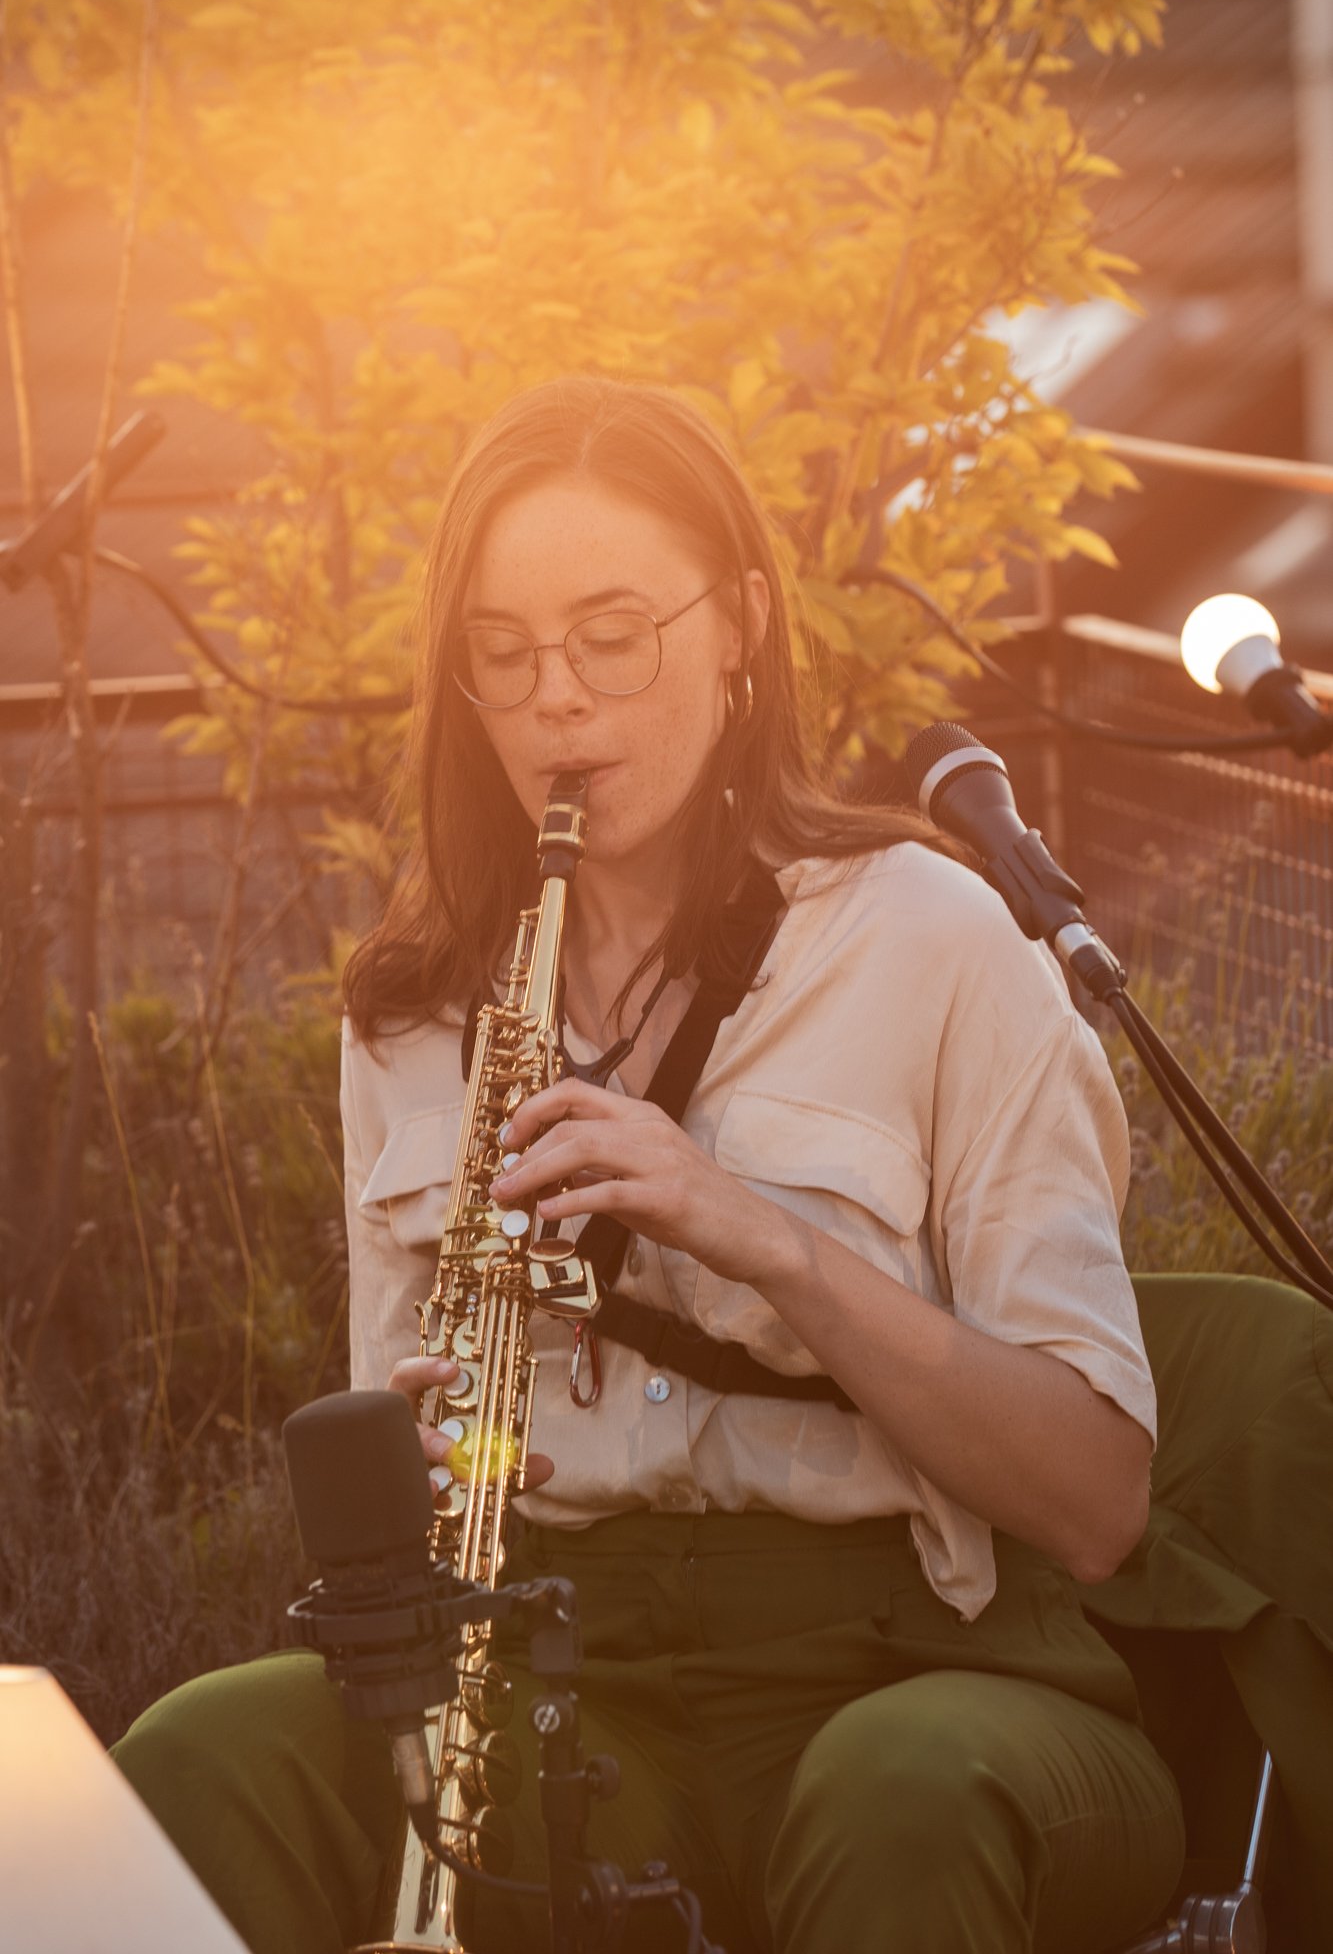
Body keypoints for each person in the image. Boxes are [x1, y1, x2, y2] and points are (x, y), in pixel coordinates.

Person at [115, 375, 1185, 1954]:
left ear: (739, 622)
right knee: (205, 1756)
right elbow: (405, 1480)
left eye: (613, 635)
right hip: (563, 1662)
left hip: (926, 1668)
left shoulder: (931, 937)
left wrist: (750, 1232)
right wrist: (426, 1486)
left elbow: (1094, 1502)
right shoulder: (412, 1010)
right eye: (504, 651)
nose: (558, 699)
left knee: (900, 1795)